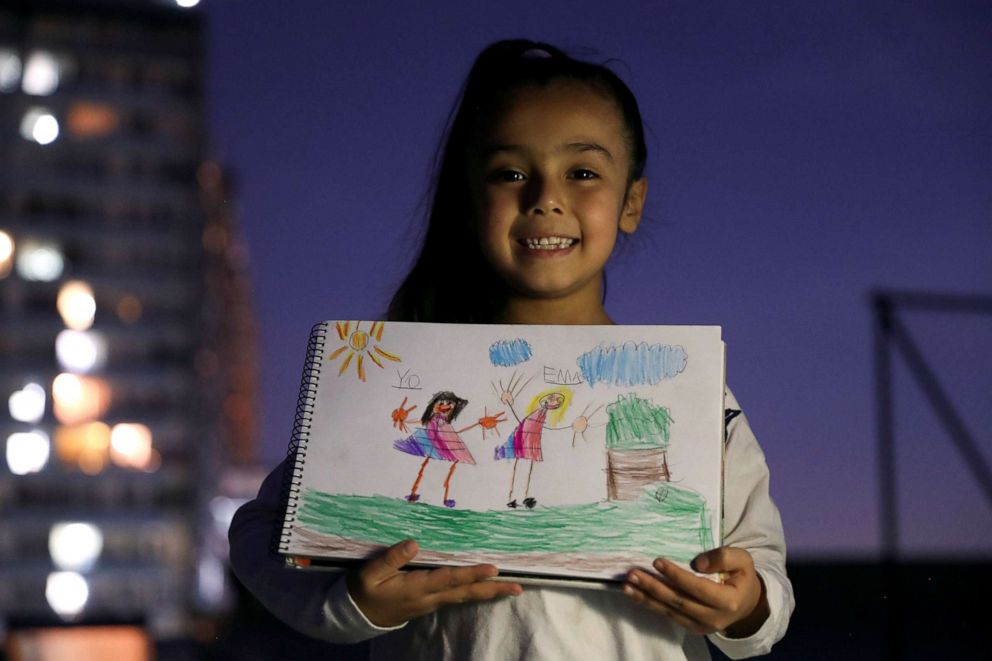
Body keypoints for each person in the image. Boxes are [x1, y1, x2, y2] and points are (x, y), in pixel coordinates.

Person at [229, 39, 794, 660]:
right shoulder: (403, 367)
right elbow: (262, 533)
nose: (546, 198)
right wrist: (355, 606)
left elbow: (763, 573)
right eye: (510, 173)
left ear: (631, 201)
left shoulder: (690, 394)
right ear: (470, 201)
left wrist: (744, 606)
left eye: (582, 172)